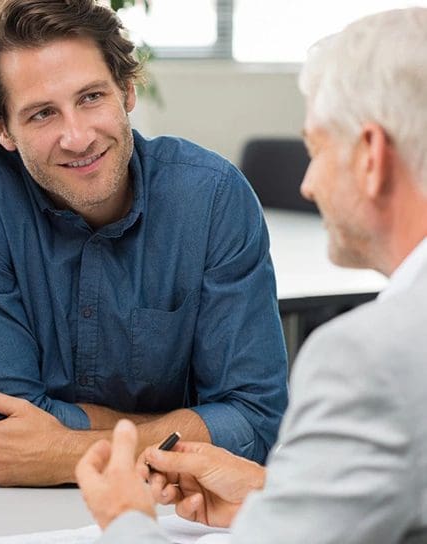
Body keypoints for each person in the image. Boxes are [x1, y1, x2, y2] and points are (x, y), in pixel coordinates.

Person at [77, 7, 427, 544]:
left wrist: (125, 518)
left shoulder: (368, 359)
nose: (308, 184)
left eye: (316, 149)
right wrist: (272, 502)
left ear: (372, 157)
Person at [0, 0, 287, 486]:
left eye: (90, 98)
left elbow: (257, 420)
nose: (77, 136)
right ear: (3, 129)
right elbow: (1, 437)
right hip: (2, 517)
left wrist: (69, 451)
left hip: (174, 513)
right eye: (43, 113)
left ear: (127, 90)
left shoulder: (211, 198)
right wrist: (187, 427)